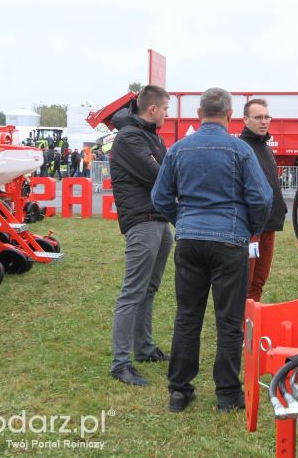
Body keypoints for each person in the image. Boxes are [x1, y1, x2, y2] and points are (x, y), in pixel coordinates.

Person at [151, 87, 272, 413]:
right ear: (231, 116)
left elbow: (160, 197)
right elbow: (261, 198)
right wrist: (252, 230)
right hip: (230, 242)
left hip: (189, 241)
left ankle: (179, 392)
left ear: (198, 114)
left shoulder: (178, 150)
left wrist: (184, 222)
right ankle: (227, 397)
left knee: (187, 318)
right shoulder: (240, 150)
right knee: (229, 322)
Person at [109, 85, 173, 387]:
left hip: (158, 220)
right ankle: (121, 363)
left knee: (149, 289)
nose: (167, 114)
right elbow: (160, 174)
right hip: (142, 221)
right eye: (165, 109)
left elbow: (166, 169)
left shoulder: (149, 136)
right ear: (152, 109)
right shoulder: (129, 138)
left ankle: (144, 348)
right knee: (133, 292)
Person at [239, 98, 286, 302]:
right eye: (258, 117)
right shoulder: (241, 148)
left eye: (267, 117)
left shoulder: (265, 147)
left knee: (259, 281)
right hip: (251, 229)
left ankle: (250, 324)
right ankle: (239, 328)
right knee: (245, 282)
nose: (264, 121)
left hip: (269, 226)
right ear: (245, 120)